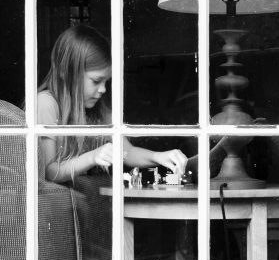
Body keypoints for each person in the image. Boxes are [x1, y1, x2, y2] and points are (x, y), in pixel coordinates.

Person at [37, 24, 189, 183]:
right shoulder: (46, 103)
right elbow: (50, 173)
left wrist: (158, 157)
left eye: (106, 82)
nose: (103, 89)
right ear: (67, 73)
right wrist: (93, 156)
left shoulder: (97, 108)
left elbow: (127, 152)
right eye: (96, 81)